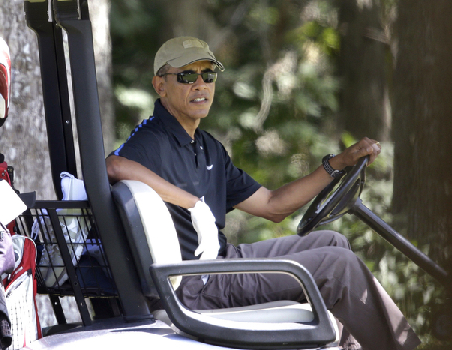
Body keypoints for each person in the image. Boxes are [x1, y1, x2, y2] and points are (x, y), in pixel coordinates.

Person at [106, 36, 420, 350]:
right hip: (196, 283)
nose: (200, 85)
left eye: (208, 75)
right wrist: (192, 204)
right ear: (160, 85)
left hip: (220, 262)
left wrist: (338, 164)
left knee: (332, 242)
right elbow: (114, 166)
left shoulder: (207, 147)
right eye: (187, 76)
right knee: (338, 265)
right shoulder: (152, 140)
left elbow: (273, 205)